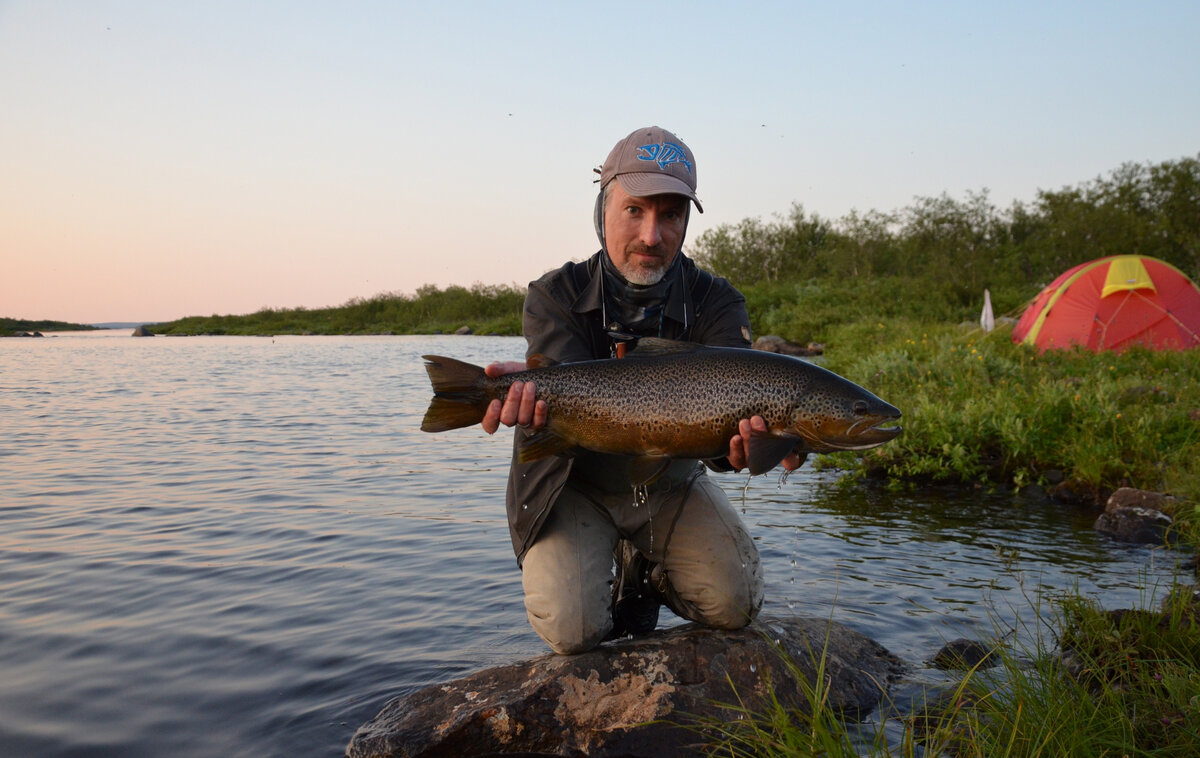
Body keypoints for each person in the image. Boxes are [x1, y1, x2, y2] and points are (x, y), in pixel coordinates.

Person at [481, 126, 802, 654]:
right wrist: (530, 392)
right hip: (572, 482)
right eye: (634, 210)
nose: (652, 235)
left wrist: (753, 450)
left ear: (685, 222)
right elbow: (570, 400)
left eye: (670, 215)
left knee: (736, 605)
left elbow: (725, 442)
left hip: (669, 481)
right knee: (572, 632)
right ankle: (607, 568)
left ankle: (649, 573)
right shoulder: (556, 294)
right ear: (602, 210)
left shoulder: (716, 302)